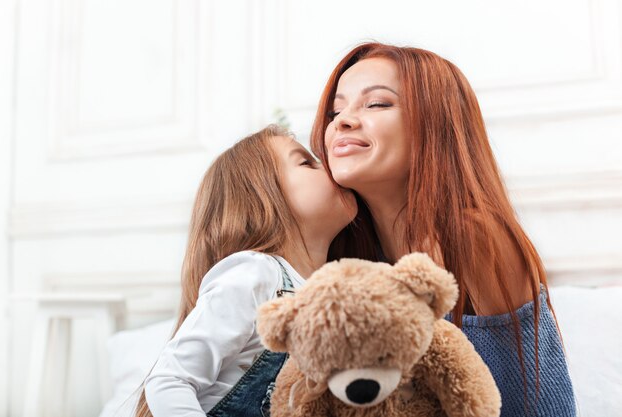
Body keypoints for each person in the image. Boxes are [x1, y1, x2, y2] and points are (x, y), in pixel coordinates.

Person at [310, 42, 577, 416]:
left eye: (377, 104)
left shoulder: (471, 236)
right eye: (336, 110)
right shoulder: (355, 259)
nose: (343, 121)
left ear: (434, 125)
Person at [134, 125, 357, 417]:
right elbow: (169, 380)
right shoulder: (255, 274)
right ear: (262, 199)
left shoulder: (332, 294)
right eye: (306, 162)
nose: (327, 165)